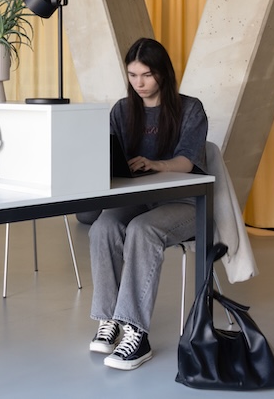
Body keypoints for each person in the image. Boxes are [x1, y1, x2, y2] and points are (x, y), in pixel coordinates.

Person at [89, 37, 208, 370]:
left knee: (142, 230)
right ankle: (109, 319)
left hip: (185, 203)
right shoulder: (122, 110)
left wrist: (157, 164)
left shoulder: (190, 109)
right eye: (132, 75)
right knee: (104, 226)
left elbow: (187, 162)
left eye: (146, 75)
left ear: (163, 74)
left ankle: (136, 334)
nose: (138, 83)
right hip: (138, 197)